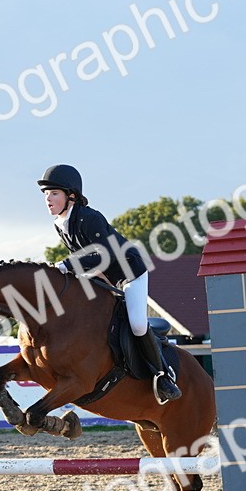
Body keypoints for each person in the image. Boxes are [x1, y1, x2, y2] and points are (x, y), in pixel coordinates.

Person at [38, 163, 180, 403]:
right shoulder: (60, 224)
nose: (48, 199)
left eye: (53, 193)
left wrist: (68, 265)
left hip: (129, 272)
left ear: (71, 196)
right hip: (100, 276)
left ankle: (162, 375)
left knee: (137, 324)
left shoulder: (89, 217)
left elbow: (105, 253)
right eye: (45, 194)